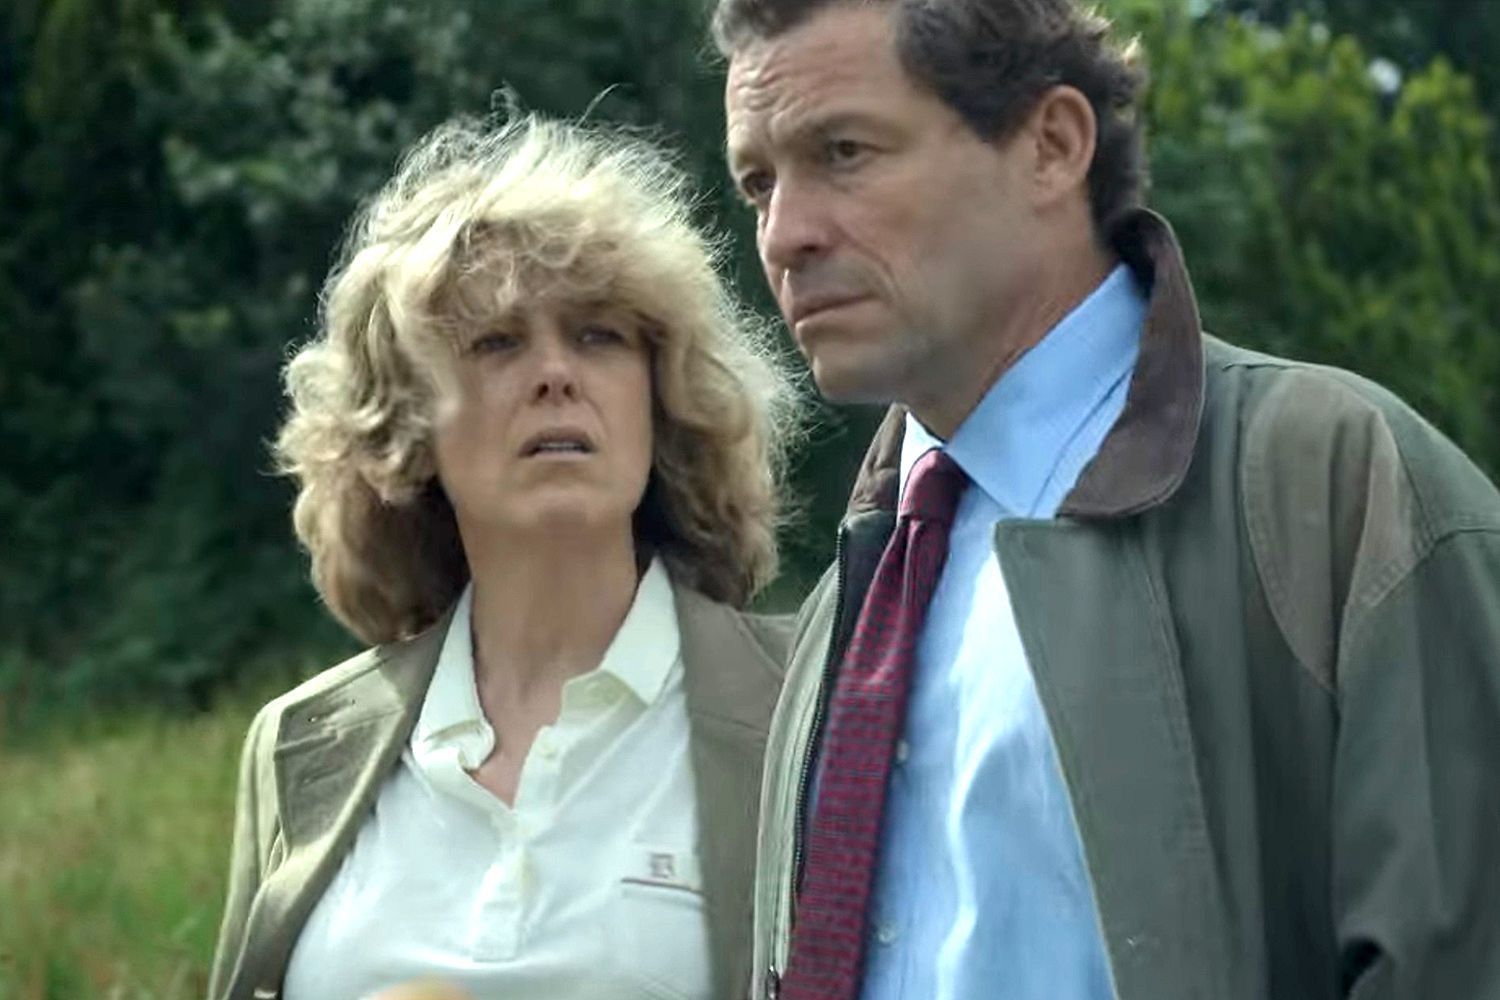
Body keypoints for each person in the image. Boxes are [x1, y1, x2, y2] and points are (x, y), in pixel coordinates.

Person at [714, 1, 1500, 999]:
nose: (785, 234)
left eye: (844, 152)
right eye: (758, 183)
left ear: (1051, 145)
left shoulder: (1337, 486)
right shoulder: (847, 606)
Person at [208, 113, 800, 1000]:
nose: (556, 373)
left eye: (599, 336)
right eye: (496, 342)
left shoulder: (809, 706)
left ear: (661, 398)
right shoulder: (300, 742)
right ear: (407, 425)